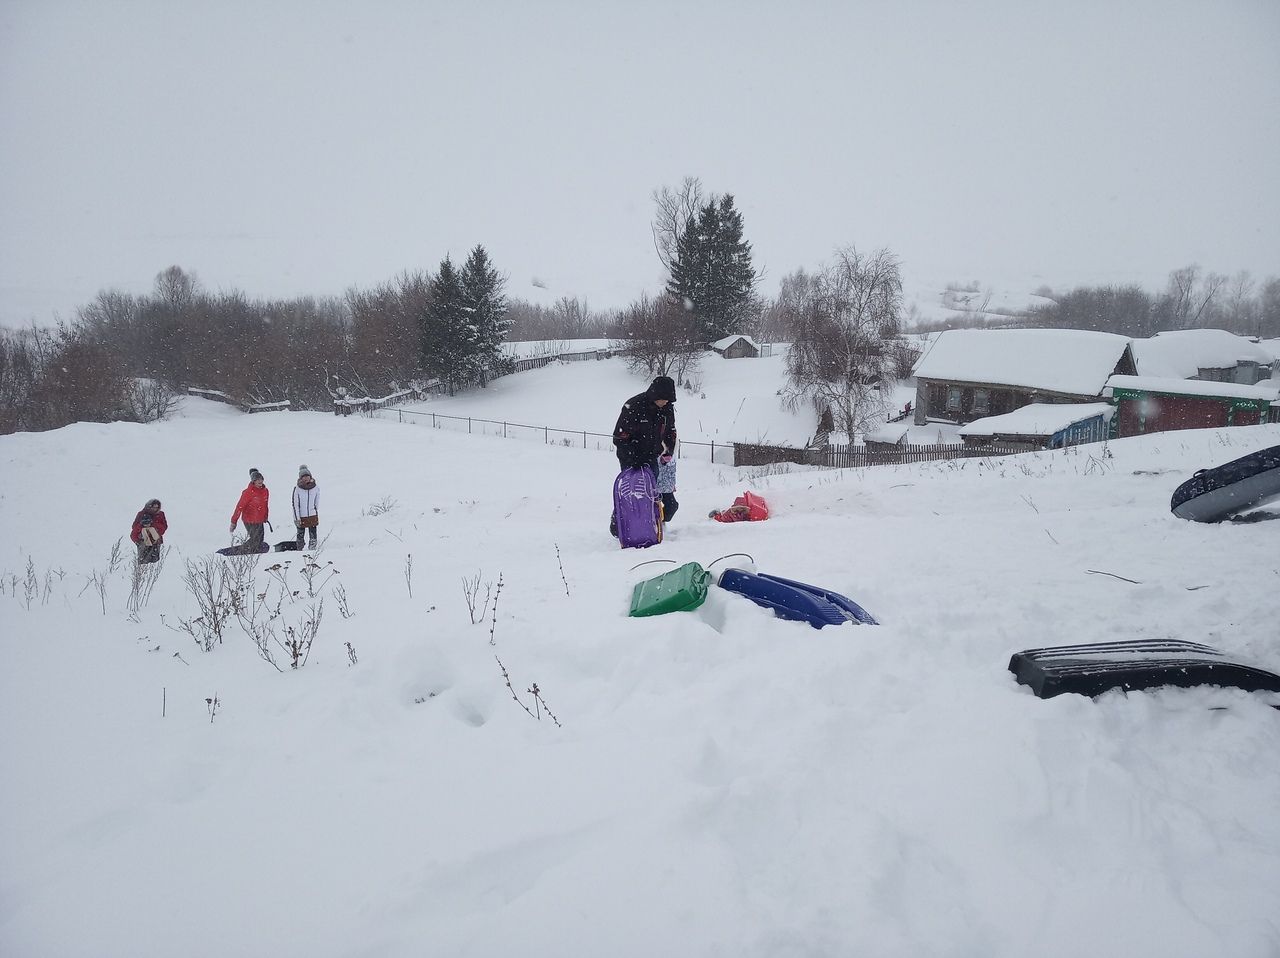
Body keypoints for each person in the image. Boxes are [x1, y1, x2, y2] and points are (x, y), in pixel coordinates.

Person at [611, 375, 677, 536]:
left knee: (649, 491)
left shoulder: (666, 407)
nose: (666, 403)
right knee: (631, 491)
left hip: (651, 456)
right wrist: (632, 457)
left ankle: (647, 523)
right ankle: (618, 523)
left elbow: (670, 430)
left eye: (669, 400)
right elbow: (620, 436)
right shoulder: (634, 406)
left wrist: (668, 450)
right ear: (656, 395)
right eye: (664, 399)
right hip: (630, 457)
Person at [230, 468, 270, 553]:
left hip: (259, 519)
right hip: (249, 519)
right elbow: (239, 507)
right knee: (255, 539)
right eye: (257, 480)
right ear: (253, 481)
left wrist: (265, 516)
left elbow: (265, 505)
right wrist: (234, 522)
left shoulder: (265, 491)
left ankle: (253, 551)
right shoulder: (248, 492)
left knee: (260, 539)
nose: (260, 481)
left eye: (261, 479)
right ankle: (242, 551)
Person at [130, 498, 168, 563]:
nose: (155, 509)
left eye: (157, 507)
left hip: (156, 540)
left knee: (155, 560)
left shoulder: (160, 514)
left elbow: (164, 526)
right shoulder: (141, 514)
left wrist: (154, 526)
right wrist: (141, 525)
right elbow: (134, 528)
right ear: (149, 506)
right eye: (153, 507)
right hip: (143, 540)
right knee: (143, 560)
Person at [293, 464, 320, 551]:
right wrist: (297, 518)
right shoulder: (297, 489)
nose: (306, 478)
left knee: (313, 534)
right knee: (300, 534)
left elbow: (317, 502)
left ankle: (312, 549)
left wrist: (315, 511)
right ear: (300, 478)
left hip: (312, 514)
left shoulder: (315, 488)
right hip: (301, 516)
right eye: (303, 477)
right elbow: (295, 504)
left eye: (307, 476)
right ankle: (299, 549)